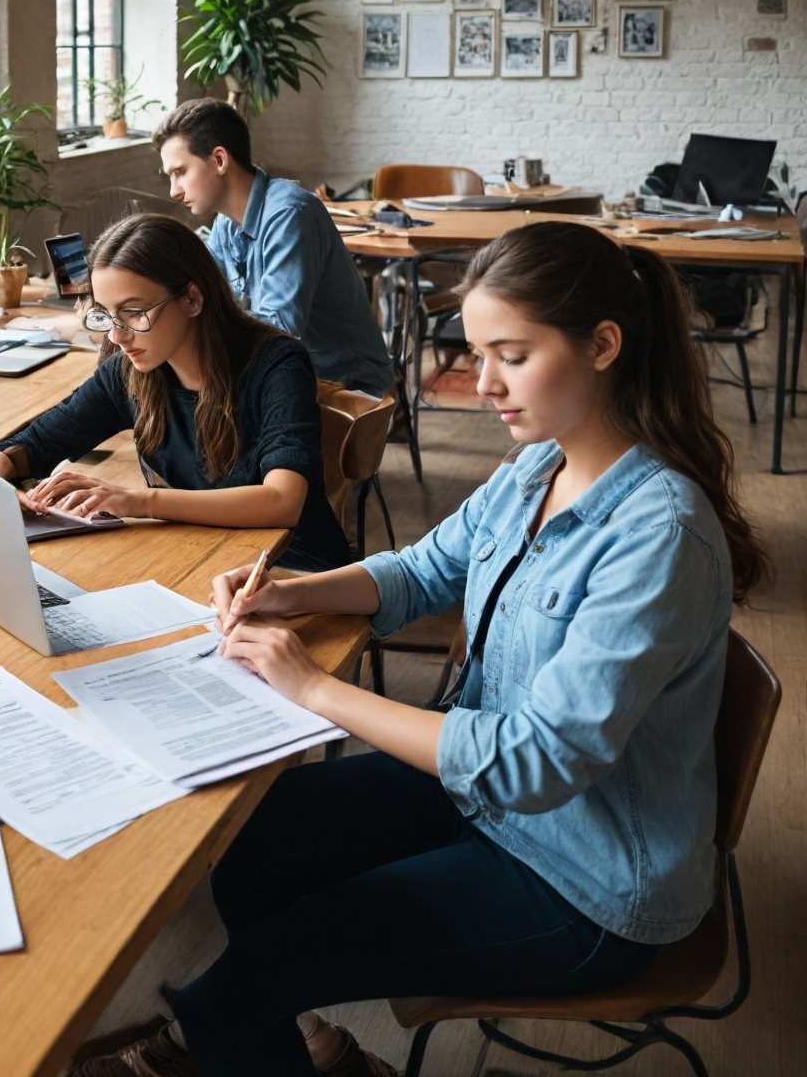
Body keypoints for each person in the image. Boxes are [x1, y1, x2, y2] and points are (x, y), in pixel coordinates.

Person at [73, 221, 768, 1077]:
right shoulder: (538, 466)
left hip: (585, 880)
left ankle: (262, 1025)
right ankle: (302, 1042)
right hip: (494, 803)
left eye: (510, 356)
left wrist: (314, 689)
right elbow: (422, 569)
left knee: (237, 988)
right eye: (477, 354)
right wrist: (296, 590)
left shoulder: (657, 534)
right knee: (251, 842)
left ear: (603, 346)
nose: (482, 386)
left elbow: (532, 764)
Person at [0, 212, 349, 566]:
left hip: (297, 573)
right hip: (208, 560)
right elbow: (28, 445)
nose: (117, 336)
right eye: (105, 314)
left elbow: (282, 501)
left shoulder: (277, 365)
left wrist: (139, 501)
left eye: (134, 312)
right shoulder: (130, 374)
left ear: (192, 299)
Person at [154, 99, 394, 398]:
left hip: (345, 389)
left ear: (219, 160)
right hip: (287, 379)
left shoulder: (291, 214)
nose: (174, 191)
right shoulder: (225, 225)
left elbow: (279, 329)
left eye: (180, 172)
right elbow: (202, 295)